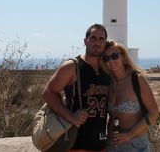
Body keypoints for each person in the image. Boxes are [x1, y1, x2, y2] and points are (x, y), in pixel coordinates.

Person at [42, 24, 111, 152]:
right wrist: (70, 116)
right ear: (85, 41)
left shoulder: (107, 69)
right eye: (93, 38)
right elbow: (48, 92)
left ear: (105, 42)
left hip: (100, 144)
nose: (97, 42)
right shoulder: (72, 66)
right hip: (74, 143)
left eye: (101, 39)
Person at [102, 40, 160, 152]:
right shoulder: (109, 83)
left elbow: (154, 113)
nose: (111, 60)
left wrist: (129, 135)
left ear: (123, 57)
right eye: (106, 58)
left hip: (135, 145)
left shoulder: (137, 79)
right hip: (111, 146)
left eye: (114, 56)